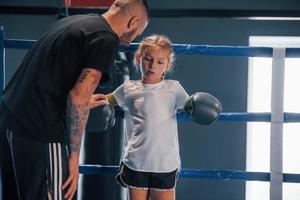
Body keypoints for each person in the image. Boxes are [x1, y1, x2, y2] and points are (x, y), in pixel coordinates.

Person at [0, 0, 149, 199]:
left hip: (10, 121)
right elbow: (77, 98)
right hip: (40, 131)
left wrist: (85, 99)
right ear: (133, 22)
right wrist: (74, 156)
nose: (131, 42)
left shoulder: (73, 23)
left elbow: (51, 78)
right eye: (137, 33)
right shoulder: (106, 39)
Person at [98, 35, 188, 200]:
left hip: (165, 163)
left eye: (160, 62)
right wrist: (83, 100)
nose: (152, 66)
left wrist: (204, 105)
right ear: (139, 58)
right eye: (148, 59)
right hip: (136, 161)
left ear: (167, 65)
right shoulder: (128, 88)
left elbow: (193, 107)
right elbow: (105, 99)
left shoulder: (174, 88)